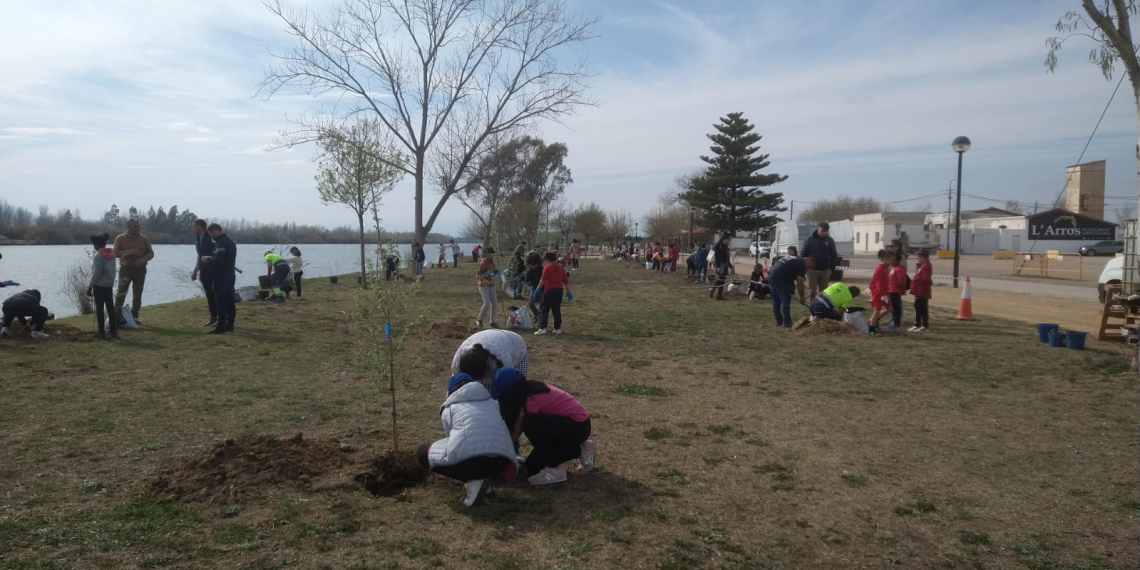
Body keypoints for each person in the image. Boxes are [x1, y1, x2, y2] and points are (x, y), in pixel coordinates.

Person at [417, 373, 518, 507]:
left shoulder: (450, 409)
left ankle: (474, 480)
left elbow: (452, 444)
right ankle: (483, 480)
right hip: (502, 461)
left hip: (474, 463)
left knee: (422, 452)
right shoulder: (493, 402)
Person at [490, 367, 594, 485]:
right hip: (570, 425)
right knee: (531, 467)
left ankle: (554, 470)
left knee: (530, 422)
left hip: (578, 426)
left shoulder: (529, 402)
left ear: (510, 393)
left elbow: (514, 435)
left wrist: (496, 454)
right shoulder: (527, 391)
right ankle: (581, 450)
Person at [451, 330, 530, 388]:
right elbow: (454, 390)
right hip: (490, 338)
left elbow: (508, 389)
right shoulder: (457, 363)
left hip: (515, 343)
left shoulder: (503, 363)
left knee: (516, 389)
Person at [113, 218, 154, 325]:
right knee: (121, 293)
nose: (137, 229)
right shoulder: (120, 238)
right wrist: (130, 252)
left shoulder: (144, 239)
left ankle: (135, 315)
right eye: (135, 227)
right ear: (128, 227)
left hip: (140, 270)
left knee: (137, 293)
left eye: (138, 226)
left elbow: (151, 253)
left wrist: (143, 259)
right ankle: (116, 314)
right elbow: (116, 253)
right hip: (125, 270)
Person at [201, 224, 236, 334]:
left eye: (211, 234)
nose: (211, 236)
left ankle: (220, 326)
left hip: (221, 275)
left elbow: (219, 259)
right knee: (230, 301)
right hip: (230, 274)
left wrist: (208, 259)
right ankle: (229, 324)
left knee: (221, 301)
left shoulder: (220, 243)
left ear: (215, 231)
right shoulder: (230, 242)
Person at [767, 254, 814, 327]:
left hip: (771, 274)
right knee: (785, 299)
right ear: (807, 260)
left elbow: (791, 272)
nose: (808, 269)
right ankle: (787, 322)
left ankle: (779, 321)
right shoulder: (802, 264)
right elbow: (800, 283)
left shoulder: (797, 259)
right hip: (780, 277)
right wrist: (802, 297)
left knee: (776, 299)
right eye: (810, 266)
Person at [87, 232, 118, 340]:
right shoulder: (112, 254)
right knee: (110, 308)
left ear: (95, 244)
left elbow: (97, 273)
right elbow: (113, 270)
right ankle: (113, 331)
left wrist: (90, 286)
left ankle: (101, 332)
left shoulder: (98, 256)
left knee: (100, 309)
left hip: (99, 286)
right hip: (109, 285)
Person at [535, 251, 570, 335]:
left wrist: (537, 289)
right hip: (559, 291)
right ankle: (557, 328)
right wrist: (568, 291)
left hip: (550, 290)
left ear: (547, 259)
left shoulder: (547, 267)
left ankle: (543, 328)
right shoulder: (561, 268)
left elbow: (542, 280)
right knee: (556, 310)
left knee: (545, 310)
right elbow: (566, 281)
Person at [801, 221, 839, 299]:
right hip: (811, 271)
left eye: (825, 231)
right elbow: (803, 255)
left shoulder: (830, 240)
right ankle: (812, 308)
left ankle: (821, 308)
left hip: (825, 270)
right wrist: (805, 269)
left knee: (824, 293)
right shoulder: (809, 240)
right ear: (818, 229)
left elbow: (834, 255)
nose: (823, 233)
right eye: (822, 231)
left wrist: (831, 269)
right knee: (812, 291)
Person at [190, 220, 218, 325]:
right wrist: (195, 271)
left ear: (199, 226)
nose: (193, 229)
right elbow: (200, 256)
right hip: (204, 270)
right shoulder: (198, 239)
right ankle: (213, 316)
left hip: (213, 270)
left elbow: (217, 252)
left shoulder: (210, 237)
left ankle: (221, 316)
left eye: (194, 226)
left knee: (215, 293)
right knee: (209, 294)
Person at [867, 249, 894, 335]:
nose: (892, 262)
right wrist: (881, 294)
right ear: (885, 258)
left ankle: (872, 321)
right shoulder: (880, 268)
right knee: (877, 310)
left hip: (885, 293)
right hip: (879, 293)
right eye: (891, 260)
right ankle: (871, 329)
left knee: (889, 309)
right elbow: (878, 282)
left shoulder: (886, 268)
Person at [909, 250, 933, 333]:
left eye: (918, 257)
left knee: (921, 308)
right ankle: (918, 324)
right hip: (919, 290)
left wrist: (918, 283)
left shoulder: (926, 266)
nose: (917, 259)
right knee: (918, 308)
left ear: (922, 257)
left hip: (922, 291)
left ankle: (924, 325)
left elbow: (925, 279)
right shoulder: (923, 266)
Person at [476, 246, 499, 329]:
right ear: (486, 254)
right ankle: (479, 320)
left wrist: (496, 272)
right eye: (491, 254)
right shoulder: (482, 263)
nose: (492, 255)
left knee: (495, 304)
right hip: (483, 285)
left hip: (491, 285)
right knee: (486, 304)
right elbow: (478, 276)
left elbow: (493, 272)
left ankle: (492, 322)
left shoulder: (492, 263)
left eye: (492, 254)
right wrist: (486, 274)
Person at [887, 251, 909, 330]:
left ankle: (897, 323)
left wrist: (902, 290)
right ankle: (894, 321)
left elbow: (902, 281)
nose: (891, 262)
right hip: (891, 290)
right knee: (893, 307)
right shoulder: (894, 268)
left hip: (895, 291)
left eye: (892, 260)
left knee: (896, 308)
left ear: (897, 261)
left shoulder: (899, 269)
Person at [709, 232, 732, 300]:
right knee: (720, 280)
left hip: (724, 265)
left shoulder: (725, 246)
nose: (729, 241)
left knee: (722, 280)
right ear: (725, 239)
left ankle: (719, 295)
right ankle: (712, 292)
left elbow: (726, 257)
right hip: (720, 265)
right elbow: (717, 257)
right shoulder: (718, 245)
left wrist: (730, 266)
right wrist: (718, 266)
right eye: (729, 239)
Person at [525, 252, 544, 323]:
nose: (533, 266)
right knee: (531, 303)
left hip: (542, 289)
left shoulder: (542, 269)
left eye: (534, 265)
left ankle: (541, 322)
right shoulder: (529, 270)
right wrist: (528, 281)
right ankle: (537, 314)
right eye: (531, 265)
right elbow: (527, 279)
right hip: (534, 288)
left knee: (542, 305)